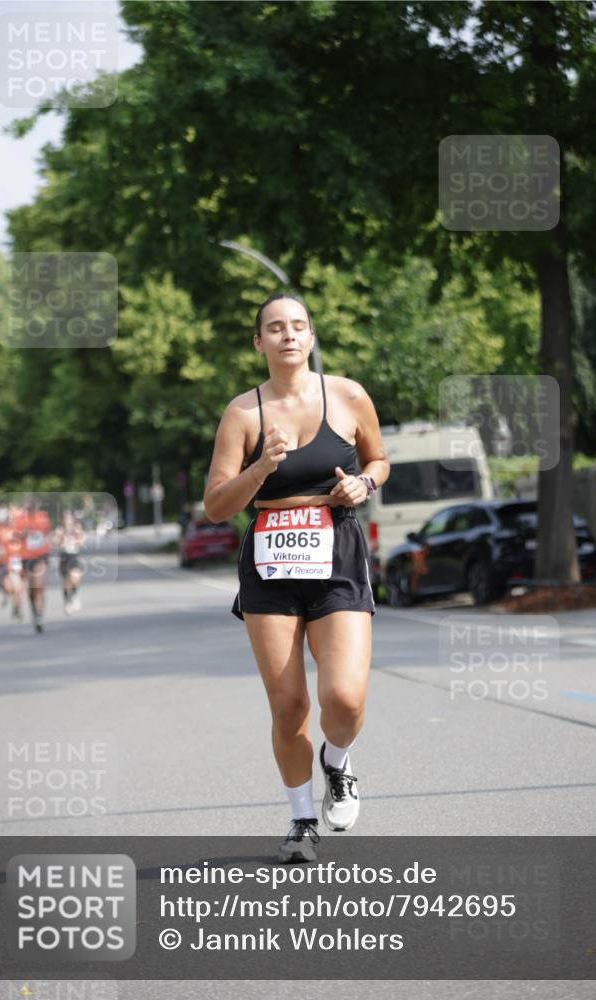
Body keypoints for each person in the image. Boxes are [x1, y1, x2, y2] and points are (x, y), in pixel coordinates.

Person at [203, 293, 389, 863]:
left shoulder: (349, 395)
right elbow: (214, 505)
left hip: (337, 549)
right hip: (269, 559)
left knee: (345, 698)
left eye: (299, 326)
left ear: (311, 337)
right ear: (258, 342)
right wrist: (261, 467)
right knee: (288, 705)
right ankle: (301, 819)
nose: (288, 335)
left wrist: (365, 484)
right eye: (275, 327)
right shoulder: (242, 414)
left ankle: (337, 759)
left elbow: (379, 459)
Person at [16, 498, 52, 633]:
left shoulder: (43, 517)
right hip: (26, 557)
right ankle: (34, 610)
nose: (30, 508)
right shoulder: (20, 520)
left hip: (40, 556)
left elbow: (46, 533)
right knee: (32, 590)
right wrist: (24, 533)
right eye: (28, 506)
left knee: (39, 586)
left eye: (32, 506)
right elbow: (16, 536)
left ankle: (39, 615)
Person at [53, 510, 86, 614]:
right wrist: (61, 536)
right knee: (66, 582)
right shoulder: (60, 529)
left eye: (69, 518)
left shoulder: (77, 528)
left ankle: (75, 596)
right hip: (64, 556)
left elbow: (81, 543)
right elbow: (56, 543)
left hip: (74, 555)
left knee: (75, 578)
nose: (67, 520)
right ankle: (67, 602)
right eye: (65, 518)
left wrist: (78, 534)